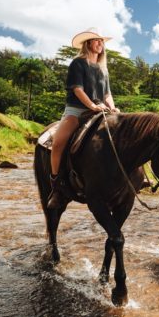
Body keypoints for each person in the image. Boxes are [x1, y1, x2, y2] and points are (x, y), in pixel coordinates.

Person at [47, 28, 120, 209]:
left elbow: (107, 94)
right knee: (58, 143)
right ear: (88, 44)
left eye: (101, 41)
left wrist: (112, 107)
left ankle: (129, 177)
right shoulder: (78, 64)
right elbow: (77, 89)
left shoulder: (103, 69)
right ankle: (56, 185)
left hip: (101, 110)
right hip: (77, 110)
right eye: (96, 41)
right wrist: (92, 106)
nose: (100, 44)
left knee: (122, 136)